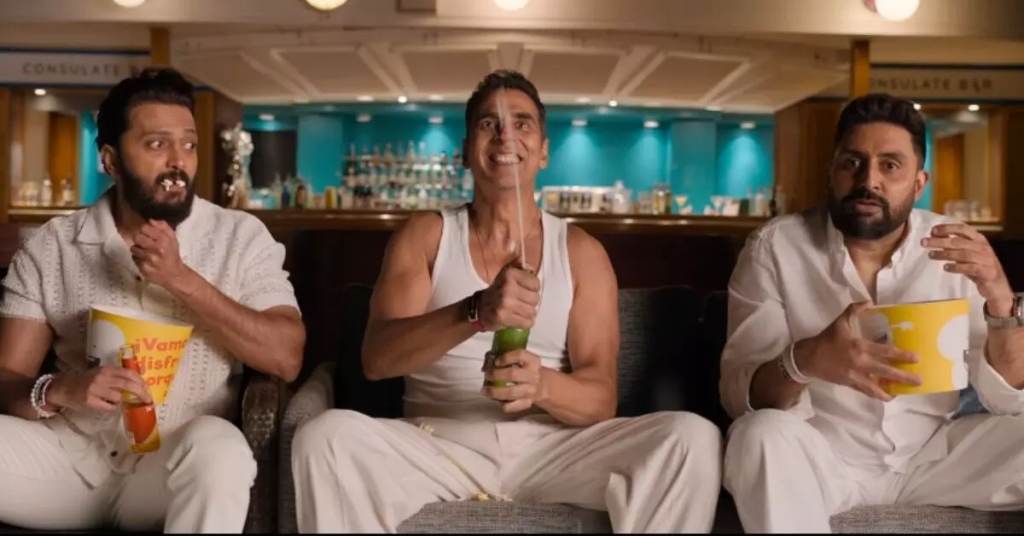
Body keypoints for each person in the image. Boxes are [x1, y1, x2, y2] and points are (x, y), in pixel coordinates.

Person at [291, 70, 722, 533]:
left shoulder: (581, 252)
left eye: (522, 123)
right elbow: (377, 359)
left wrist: (543, 387)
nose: (505, 136)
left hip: (552, 450)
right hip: (437, 444)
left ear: (543, 151)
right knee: (324, 437)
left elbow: (601, 399)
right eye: (488, 124)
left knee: (691, 437)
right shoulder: (426, 235)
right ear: (465, 151)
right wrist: (475, 311)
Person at [0, 68, 305, 532]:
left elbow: (286, 356)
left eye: (189, 144)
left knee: (221, 449)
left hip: (171, 465)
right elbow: (7, 379)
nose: (178, 161)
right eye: (157, 144)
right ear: (110, 159)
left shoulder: (241, 238)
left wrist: (181, 279)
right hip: (67, 460)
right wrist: (60, 390)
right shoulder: (52, 246)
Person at [720, 93, 1024, 533]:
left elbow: (1008, 399)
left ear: (918, 183)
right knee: (758, 436)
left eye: (890, 165)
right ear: (831, 170)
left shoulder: (955, 247)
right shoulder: (775, 248)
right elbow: (738, 398)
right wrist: (806, 359)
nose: (869, 180)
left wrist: (999, 295)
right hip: (821, 459)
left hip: (932, 457)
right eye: (853, 162)